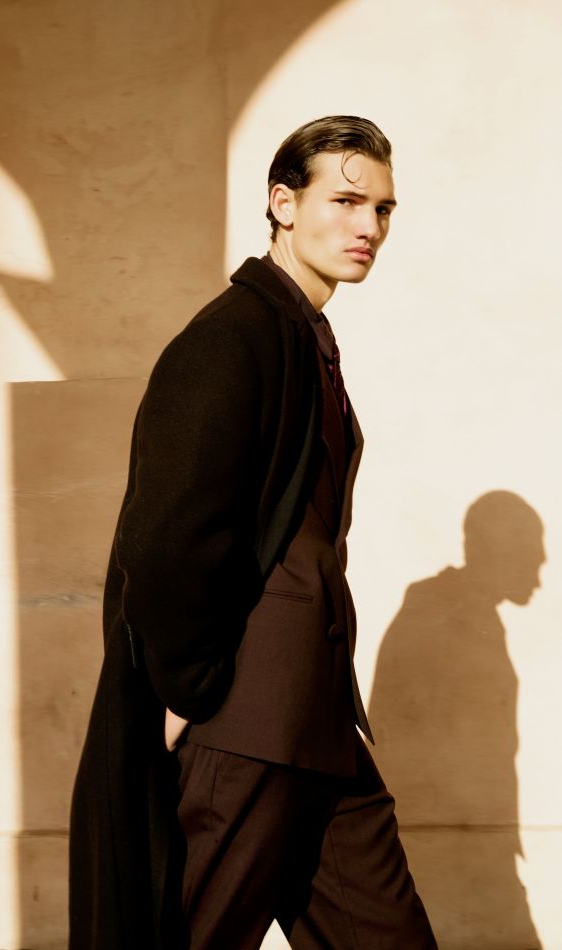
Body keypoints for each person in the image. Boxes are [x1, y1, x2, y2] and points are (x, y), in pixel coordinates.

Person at [69, 115, 437, 949]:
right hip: (248, 718)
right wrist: (191, 686)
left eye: (382, 208)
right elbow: (167, 538)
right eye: (345, 201)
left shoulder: (302, 336)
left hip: (316, 717)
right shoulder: (230, 339)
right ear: (282, 203)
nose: (368, 226)